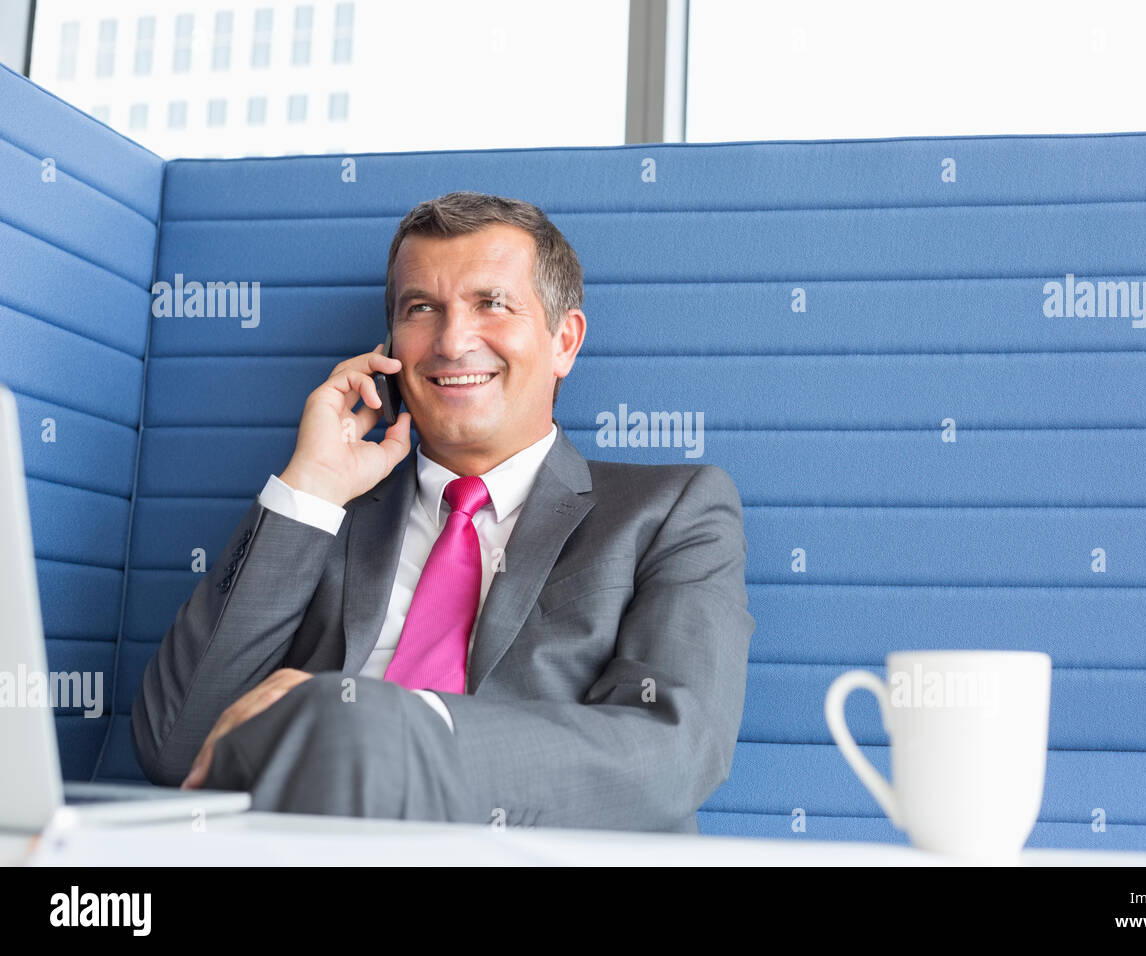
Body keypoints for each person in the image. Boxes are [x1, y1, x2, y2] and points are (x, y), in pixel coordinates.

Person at [130, 191, 755, 832]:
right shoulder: (327, 514)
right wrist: (311, 487)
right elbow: (176, 746)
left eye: (492, 304)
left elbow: (674, 752)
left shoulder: (671, 509)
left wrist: (385, 723)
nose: (453, 342)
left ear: (564, 341)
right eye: (422, 309)